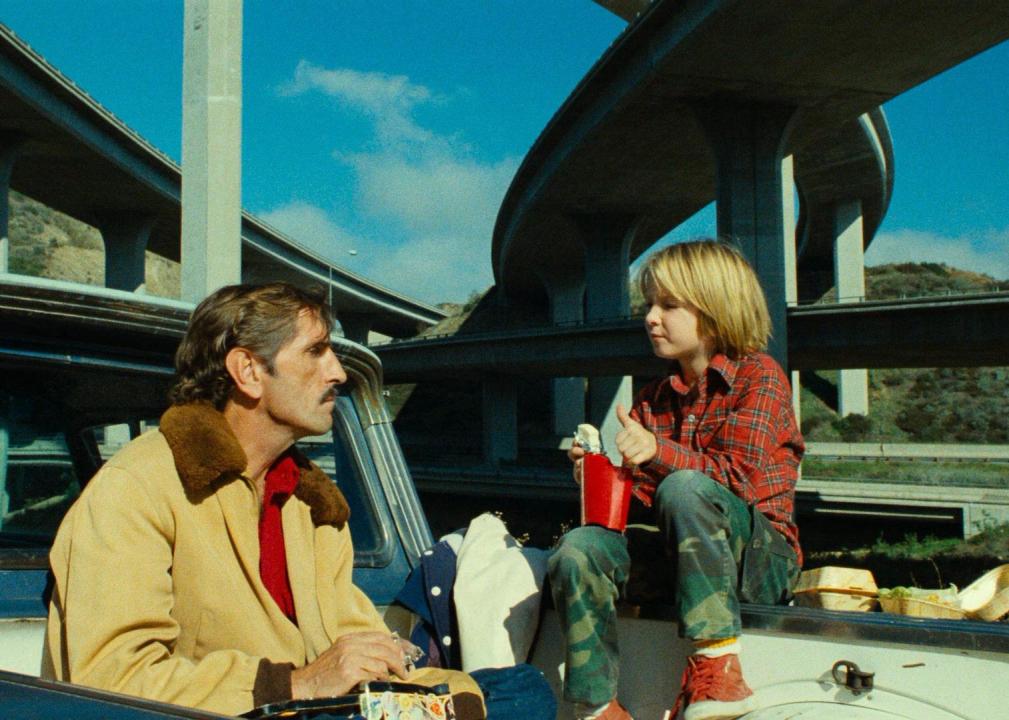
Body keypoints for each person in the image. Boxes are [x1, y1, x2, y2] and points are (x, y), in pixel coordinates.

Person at [43, 283, 490, 717]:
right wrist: (297, 684)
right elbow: (109, 682)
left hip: (318, 711)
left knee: (511, 690)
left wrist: (439, 703)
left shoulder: (311, 506)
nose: (337, 372)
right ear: (249, 371)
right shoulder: (136, 487)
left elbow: (361, 647)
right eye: (316, 351)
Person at [548, 240, 804, 720]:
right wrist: (601, 475)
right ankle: (597, 705)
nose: (650, 317)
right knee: (578, 548)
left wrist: (659, 452)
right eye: (649, 304)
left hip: (757, 566)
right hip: (681, 562)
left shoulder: (760, 378)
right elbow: (646, 504)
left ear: (712, 310)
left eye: (668, 305)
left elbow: (737, 482)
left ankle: (718, 667)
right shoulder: (652, 398)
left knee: (684, 486)